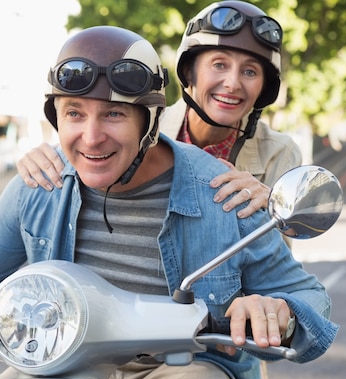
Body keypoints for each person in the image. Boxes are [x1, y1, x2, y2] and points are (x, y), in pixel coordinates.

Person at [0, 26, 337, 379]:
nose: (90, 137)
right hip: (58, 361)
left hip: (180, 367)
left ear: (150, 122)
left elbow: (306, 296)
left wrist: (279, 311)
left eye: (113, 114)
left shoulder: (221, 192)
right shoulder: (41, 183)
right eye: (74, 114)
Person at [16, 0, 302, 222]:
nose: (232, 83)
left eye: (250, 72)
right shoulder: (142, 128)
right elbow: (91, 149)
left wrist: (271, 207)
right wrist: (44, 160)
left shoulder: (280, 152)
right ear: (189, 72)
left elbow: (275, 274)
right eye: (219, 65)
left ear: (264, 88)